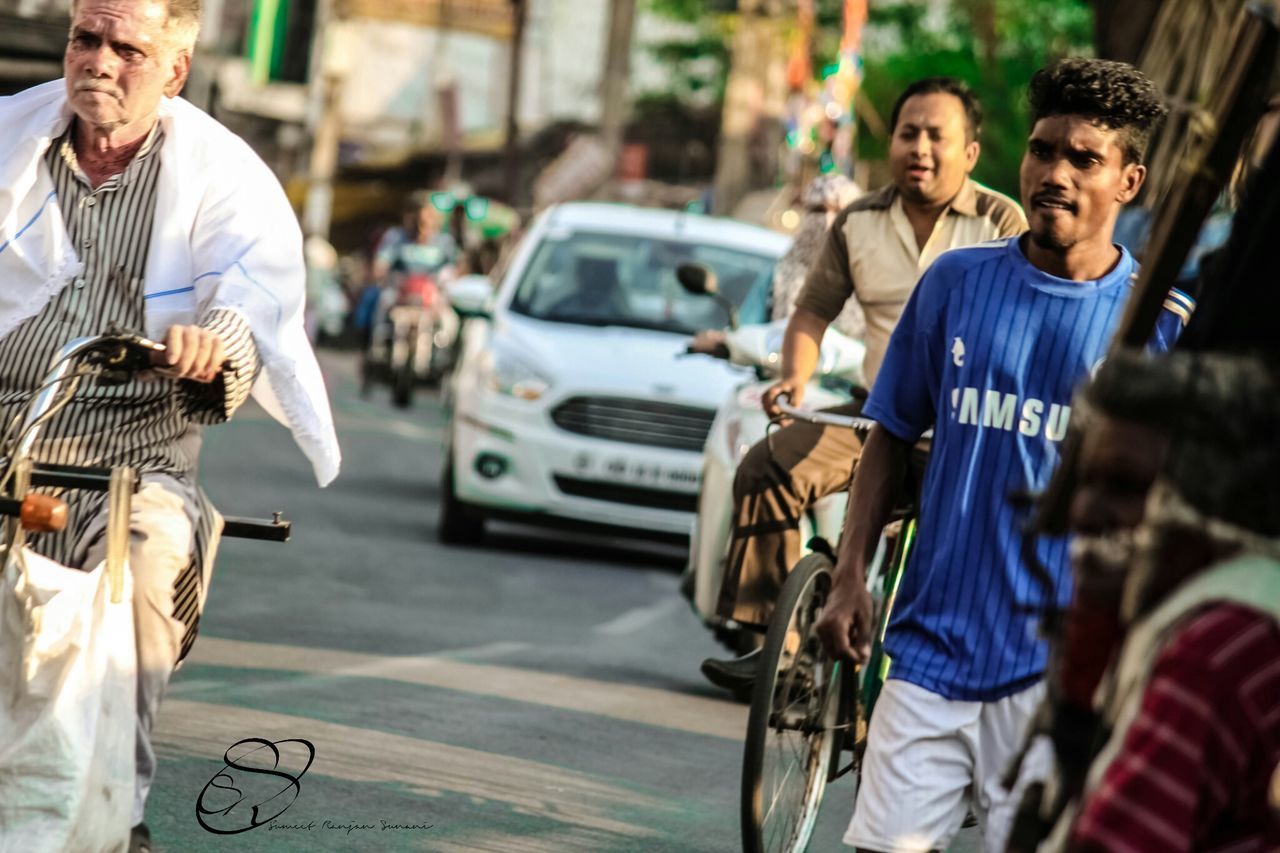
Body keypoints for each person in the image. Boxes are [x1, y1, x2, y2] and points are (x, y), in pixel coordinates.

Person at [813, 58, 1188, 852]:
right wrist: (851, 577)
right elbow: (888, 438)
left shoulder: (1162, 330)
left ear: (1129, 181)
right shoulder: (954, 284)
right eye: (1044, 150)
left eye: (1084, 159)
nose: (1055, 173)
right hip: (929, 653)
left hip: (1063, 679)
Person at [0, 1, 340, 850]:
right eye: (86, 38)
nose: (100, 62)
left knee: (149, 561)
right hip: (8, 430)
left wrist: (205, 343)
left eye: (128, 48)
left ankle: (121, 807)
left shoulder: (226, 173)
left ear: (175, 70)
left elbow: (251, 299)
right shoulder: (10, 135)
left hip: (135, 452)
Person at [703, 77, 1026, 688]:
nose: (920, 148)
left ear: (971, 152)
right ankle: (780, 649)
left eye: (938, 136)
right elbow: (811, 312)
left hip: (965, 427)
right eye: (909, 133)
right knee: (767, 465)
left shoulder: (1001, 221)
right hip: (874, 413)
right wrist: (794, 381)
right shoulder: (857, 221)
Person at [1041, 350, 1280, 852]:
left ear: (1205, 501)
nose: (1085, 512)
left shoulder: (1212, 656)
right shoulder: (1249, 614)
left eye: (1126, 488)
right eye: (1087, 483)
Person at [687, 172, 864, 359]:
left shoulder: (868, 276)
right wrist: (727, 341)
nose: (827, 221)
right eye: (819, 211)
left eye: (839, 212)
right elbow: (750, 326)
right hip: (779, 374)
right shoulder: (780, 273)